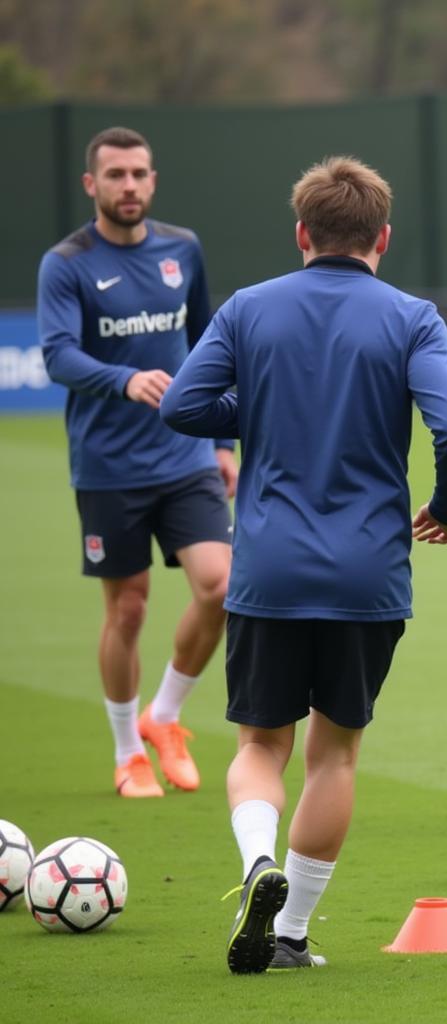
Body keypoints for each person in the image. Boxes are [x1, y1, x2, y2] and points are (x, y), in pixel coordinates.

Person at [160, 156, 447, 974]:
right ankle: (293, 933)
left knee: (261, 746)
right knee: (334, 755)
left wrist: (258, 408)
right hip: (369, 573)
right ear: (384, 237)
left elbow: (182, 406)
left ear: (302, 234)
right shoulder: (412, 317)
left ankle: (255, 863)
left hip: (266, 569)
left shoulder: (248, 309)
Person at [37, 126, 236, 799]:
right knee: (128, 610)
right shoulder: (65, 263)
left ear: (153, 181)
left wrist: (222, 441)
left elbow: (212, 339)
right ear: (92, 184)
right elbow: (59, 355)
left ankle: (165, 717)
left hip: (185, 457)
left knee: (223, 588)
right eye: (115, 175)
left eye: (140, 174)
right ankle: (128, 753)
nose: (129, 186)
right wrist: (124, 380)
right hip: (108, 465)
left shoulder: (183, 249)